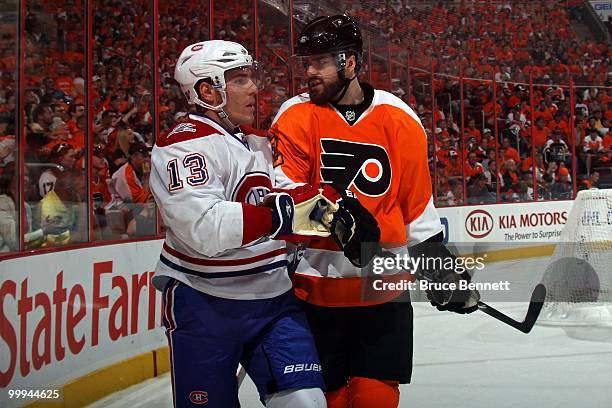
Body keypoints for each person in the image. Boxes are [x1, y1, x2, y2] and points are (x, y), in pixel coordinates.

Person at [269, 15, 480, 408]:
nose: (309, 72)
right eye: (306, 62)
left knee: (376, 397)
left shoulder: (400, 118)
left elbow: (416, 208)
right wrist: (337, 219)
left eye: (320, 62)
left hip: (384, 294)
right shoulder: (293, 115)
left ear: (349, 62)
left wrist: (441, 268)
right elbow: (285, 195)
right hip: (315, 293)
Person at [149, 40, 328, 408]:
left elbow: (291, 194)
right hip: (204, 302)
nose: (254, 87)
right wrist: (283, 215)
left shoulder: (255, 143)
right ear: (207, 90)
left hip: (274, 298)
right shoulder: (182, 145)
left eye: (251, 76)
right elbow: (204, 227)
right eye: (241, 79)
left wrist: (334, 209)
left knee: (307, 403)